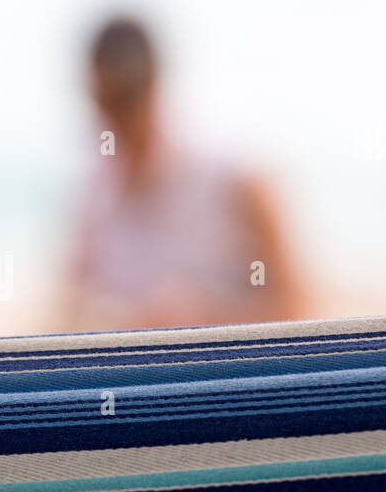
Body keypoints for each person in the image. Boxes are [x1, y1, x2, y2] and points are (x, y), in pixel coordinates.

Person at [64, 16, 305, 331]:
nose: (115, 120)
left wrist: (204, 322)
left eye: (124, 98)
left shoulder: (237, 179)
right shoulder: (97, 196)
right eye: (103, 102)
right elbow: (70, 309)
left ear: (155, 85)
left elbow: (302, 313)